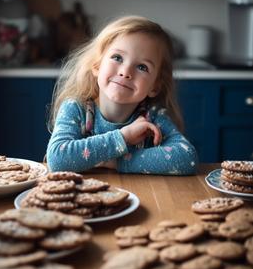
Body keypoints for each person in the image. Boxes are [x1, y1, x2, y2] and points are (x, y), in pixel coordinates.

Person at [46, 15, 198, 175]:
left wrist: (116, 162)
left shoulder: (152, 117)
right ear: (97, 66)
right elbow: (57, 160)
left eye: (142, 67)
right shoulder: (76, 108)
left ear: (154, 86)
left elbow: (187, 158)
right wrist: (123, 137)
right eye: (117, 58)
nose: (125, 72)